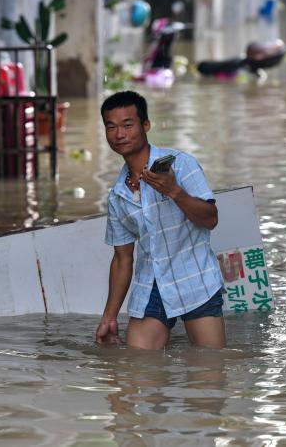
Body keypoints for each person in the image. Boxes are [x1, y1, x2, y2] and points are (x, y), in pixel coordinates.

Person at [95, 90, 226, 350]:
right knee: (140, 376)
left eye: (127, 125)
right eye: (111, 127)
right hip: (151, 286)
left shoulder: (181, 164)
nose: (119, 134)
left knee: (210, 375)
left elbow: (211, 219)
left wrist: (174, 191)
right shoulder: (118, 195)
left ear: (146, 125)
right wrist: (109, 316)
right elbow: (122, 259)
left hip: (195, 279)